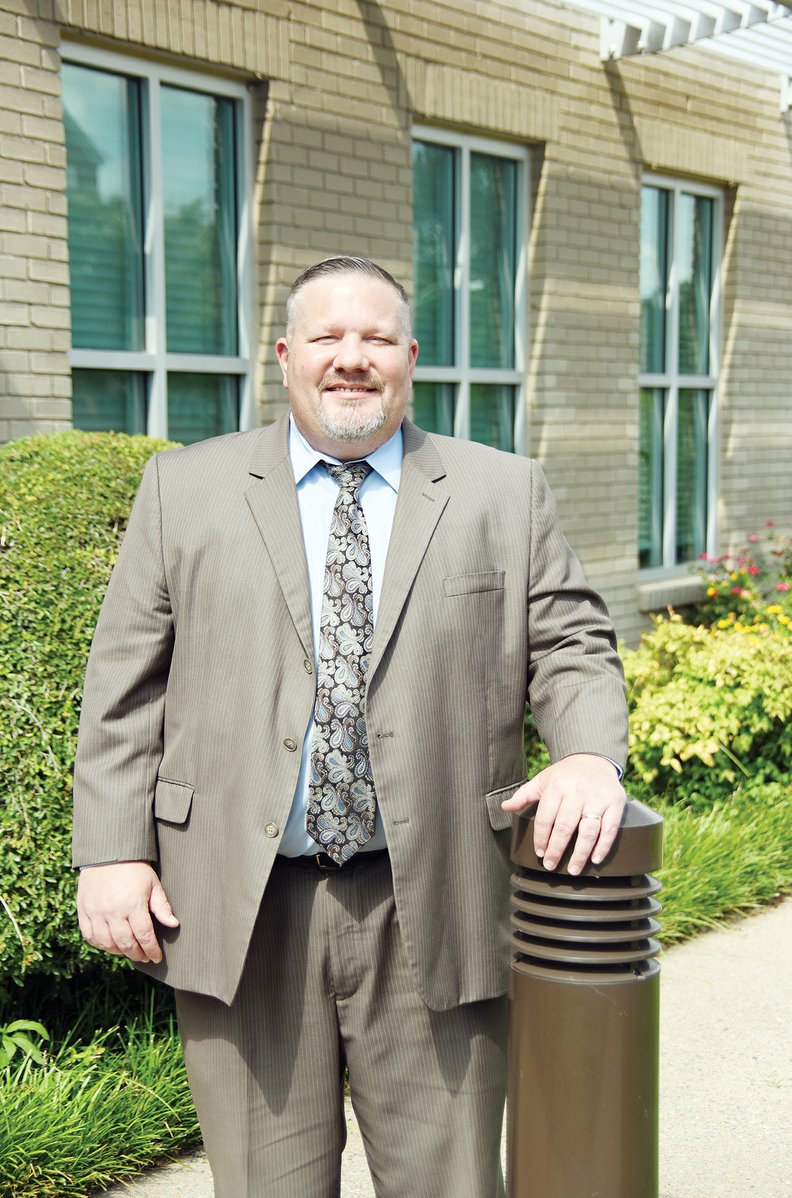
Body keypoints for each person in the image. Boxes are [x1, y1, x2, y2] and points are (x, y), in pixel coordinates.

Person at [74, 256, 628, 1198]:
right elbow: (125, 688)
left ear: (410, 357)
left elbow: (572, 642)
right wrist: (112, 852)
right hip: (242, 911)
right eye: (328, 337)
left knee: (451, 1184)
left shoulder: (502, 491)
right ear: (286, 356)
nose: (352, 359)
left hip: (438, 903)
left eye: (375, 338)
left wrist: (585, 752)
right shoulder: (184, 490)